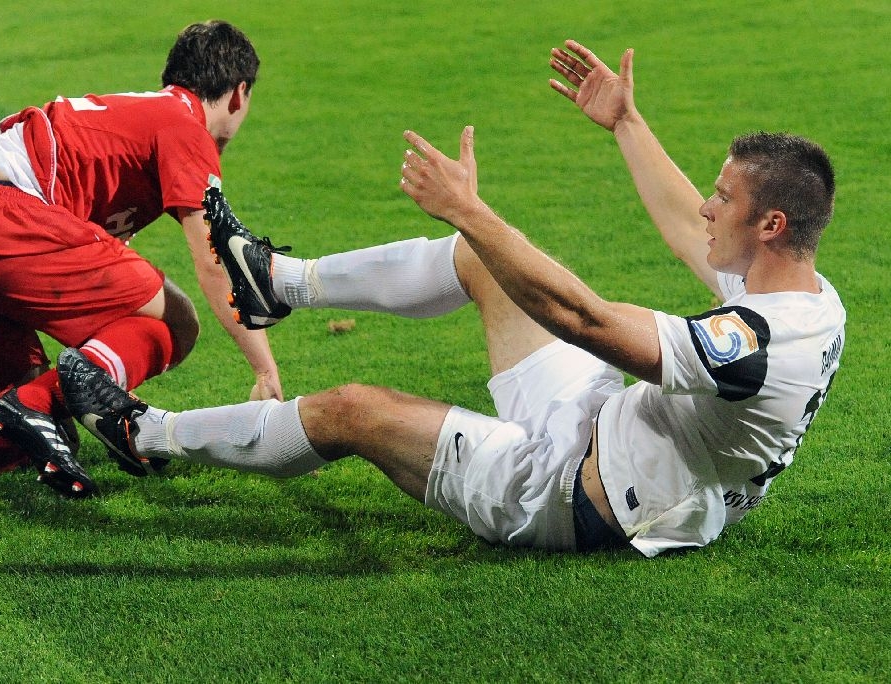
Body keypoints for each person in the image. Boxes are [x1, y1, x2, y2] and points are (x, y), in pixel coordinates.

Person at [57, 39, 845, 556]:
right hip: (612, 424)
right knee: (482, 259)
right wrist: (626, 124)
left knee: (353, 410)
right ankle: (277, 281)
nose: (706, 207)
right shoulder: (804, 292)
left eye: (724, 199)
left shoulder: (757, 345)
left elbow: (585, 320)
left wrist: (470, 207)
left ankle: (143, 431)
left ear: (770, 225)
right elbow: (682, 228)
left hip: (581, 496)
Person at [0, 21, 282, 497]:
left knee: (26, 436)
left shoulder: (129, 119)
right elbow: (216, 260)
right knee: (175, 321)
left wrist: (113, 392)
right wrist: (265, 370)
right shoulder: (184, 125)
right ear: (239, 94)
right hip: (0, 219)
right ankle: (34, 403)